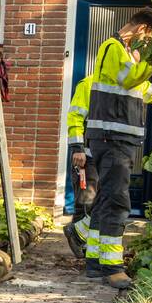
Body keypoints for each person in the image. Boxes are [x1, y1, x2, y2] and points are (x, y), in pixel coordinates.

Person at [86, 7, 152, 289]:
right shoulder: (112, 48)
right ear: (143, 29)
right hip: (112, 139)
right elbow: (130, 80)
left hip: (114, 139)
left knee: (105, 201)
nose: (147, 46)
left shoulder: (123, 54)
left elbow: (145, 90)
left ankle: (95, 263)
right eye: (150, 39)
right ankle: (112, 268)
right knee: (117, 201)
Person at [63, 75, 98, 259]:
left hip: (103, 156)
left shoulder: (121, 84)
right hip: (86, 156)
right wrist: (77, 148)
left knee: (93, 201)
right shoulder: (88, 84)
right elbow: (75, 116)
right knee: (86, 202)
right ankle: (81, 245)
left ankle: (83, 244)